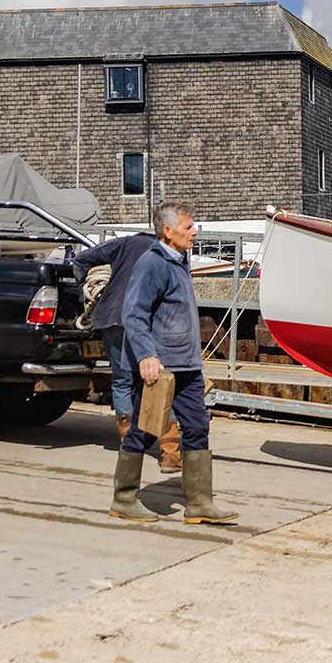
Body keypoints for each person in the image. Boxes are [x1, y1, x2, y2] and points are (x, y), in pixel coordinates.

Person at [108, 201, 227, 524]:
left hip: (187, 366)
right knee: (145, 431)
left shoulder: (180, 260)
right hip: (161, 367)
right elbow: (134, 312)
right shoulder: (153, 264)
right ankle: (124, 499)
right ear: (168, 231)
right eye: (188, 227)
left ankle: (200, 503)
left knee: (197, 426)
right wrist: (146, 355)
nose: (194, 231)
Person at [69, 224, 179, 468]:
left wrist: (83, 294)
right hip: (147, 321)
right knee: (158, 381)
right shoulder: (169, 250)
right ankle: (169, 451)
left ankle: (129, 446)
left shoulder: (125, 243)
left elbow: (80, 260)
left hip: (111, 316)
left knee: (122, 380)